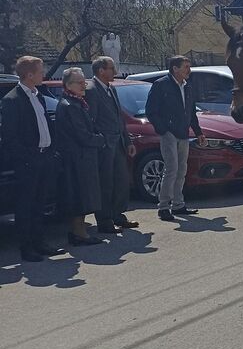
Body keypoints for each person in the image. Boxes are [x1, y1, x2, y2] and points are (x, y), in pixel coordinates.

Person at [0, 56, 64, 262]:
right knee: (25, 205)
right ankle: (26, 247)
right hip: (27, 162)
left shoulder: (39, 96)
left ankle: (40, 242)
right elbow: (10, 137)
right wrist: (27, 158)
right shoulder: (12, 100)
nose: (43, 74)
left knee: (40, 204)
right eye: (40, 71)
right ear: (29, 75)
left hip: (45, 158)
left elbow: (46, 125)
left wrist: (52, 151)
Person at [145, 55, 206, 221]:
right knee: (171, 169)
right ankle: (164, 207)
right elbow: (151, 110)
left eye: (189, 66)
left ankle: (178, 204)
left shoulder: (187, 86)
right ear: (175, 69)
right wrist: (163, 130)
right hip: (169, 134)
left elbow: (191, 112)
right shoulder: (161, 85)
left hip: (184, 133)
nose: (189, 70)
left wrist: (198, 132)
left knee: (181, 170)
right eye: (186, 67)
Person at [85, 56, 137, 234]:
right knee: (105, 183)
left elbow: (119, 118)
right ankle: (105, 220)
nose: (115, 72)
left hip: (118, 143)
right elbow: (91, 121)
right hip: (104, 146)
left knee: (121, 181)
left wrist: (128, 141)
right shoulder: (91, 90)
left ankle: (118, 214)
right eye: (111, 68)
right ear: (101, 71)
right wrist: (101, 140)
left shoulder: (111, 88)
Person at [56, 67, 106, 246]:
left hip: (83, 157)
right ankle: (79, 233)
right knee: (79, 196)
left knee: (84, 195)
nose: (84, 85)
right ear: (68, 85)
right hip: (77, 159)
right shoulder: (70, 106)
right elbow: (82, 135)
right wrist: (101, 139)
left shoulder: (77, 103)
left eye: (84, 81)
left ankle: (79, 232)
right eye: (79, 82)